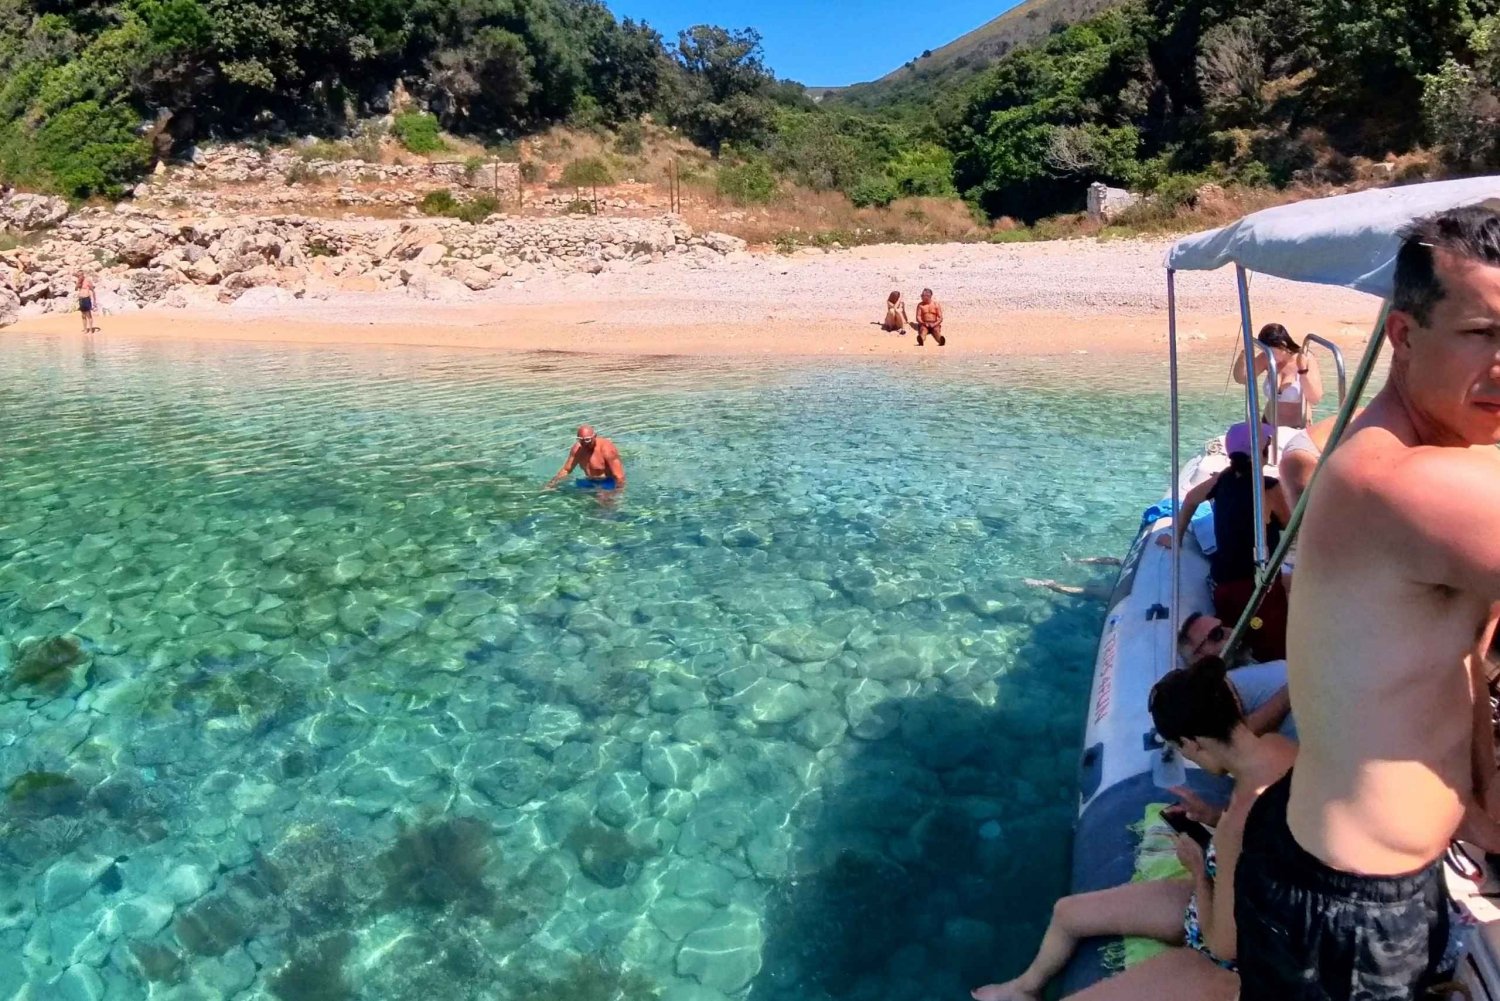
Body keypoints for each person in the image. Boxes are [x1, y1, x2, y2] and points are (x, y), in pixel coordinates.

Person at [1234, 205, 1500, 1001]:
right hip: (1348, 910)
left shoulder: (1433, 446)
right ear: (1404, 336)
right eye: (1483, 333)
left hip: (1377, 873)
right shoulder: (1404, 485)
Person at [971, 660, 1295, 1001]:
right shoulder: (1280, 748)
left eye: (1181, 749)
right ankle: (1025, 988)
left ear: (1193, 742)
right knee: (1067, 913)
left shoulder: (1237, 828)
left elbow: (1223, 946)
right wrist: (1211, 814)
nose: (1189, 758)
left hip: (1243, 954)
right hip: (1245, 900)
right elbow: (1271, 832)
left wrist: (1199, 871)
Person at [1159, 421, 1292, 662]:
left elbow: (1190, 499)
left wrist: (1176, 538)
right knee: (1273, 652)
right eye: (1268, 444)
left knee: (1237, 648)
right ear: (1262, 451)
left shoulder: (1223, 478)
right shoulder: (1269, 489)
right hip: (1258, 588)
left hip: (1223, 586)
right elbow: (1290, 526)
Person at [1178, 612, 1295, 740]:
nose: (1231, 631)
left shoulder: (1247, 665)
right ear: (1198, 656)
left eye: (1224, 626)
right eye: (1217, 634)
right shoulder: (1219, 686)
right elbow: (1239, 739)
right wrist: (1294, 688)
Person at [1232, 323, 1324, 429]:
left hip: (1298, 427)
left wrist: (1303, 371)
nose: (1268, 355)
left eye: (1271, 352)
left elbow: (1315, 398)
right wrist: (1244, 354)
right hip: (1268, 424)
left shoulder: (1305, 358)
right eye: (1265, 351)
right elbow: (1242, 379)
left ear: (1283, 345)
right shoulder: (1267, 358)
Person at [545, 425, 625, 491]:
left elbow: (619, 476)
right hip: (589, 480)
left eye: (587, 440)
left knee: (603, 502)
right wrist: (551, 484)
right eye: (581, 440)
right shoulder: (577, 449)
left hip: (607, 481)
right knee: (565, 492)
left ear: (595, 436)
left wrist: (617, 493)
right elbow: (566, 470)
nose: (584, 444)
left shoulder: (607, 449)